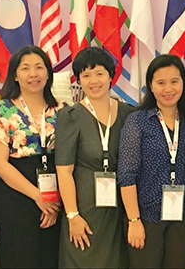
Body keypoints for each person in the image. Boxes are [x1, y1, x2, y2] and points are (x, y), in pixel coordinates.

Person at [118, 54, 185, 268]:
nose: (168, 89)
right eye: (161, 83)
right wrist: (134, 220)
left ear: (183, 83)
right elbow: (126, 175)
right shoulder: (137, 121)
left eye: (174, 81)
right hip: (146, 217)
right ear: (151, 86)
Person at [55, 47, 134, 268]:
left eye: (99, 73)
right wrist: (72, 215)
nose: (93, 81)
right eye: (86, 75)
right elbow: (64, 172)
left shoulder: (129, 114)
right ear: (79, 80)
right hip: (83, 211)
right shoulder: (70, 116)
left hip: (118, 211)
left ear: (111, 76)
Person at [0, 46, 62, 268]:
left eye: (39, 67)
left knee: (51, 259)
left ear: (48, 73)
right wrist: (37, 196)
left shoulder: (61, 110)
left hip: (54, 197)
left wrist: (53, 201)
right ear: (15, 75)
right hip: (17, 198)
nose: (33, 74)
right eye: (26, 68)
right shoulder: (4, 109)